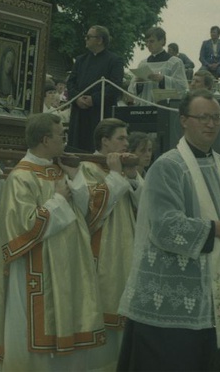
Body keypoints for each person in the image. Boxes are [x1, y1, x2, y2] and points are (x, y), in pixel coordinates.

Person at [117, 89, 220, 371]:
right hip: (171, 301)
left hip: (215, 300)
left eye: (216, 117)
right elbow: (164, 227)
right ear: (183, 120)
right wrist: (218, 229)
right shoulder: (168, 167)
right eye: (203, 117)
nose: (211, 123)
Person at [0, 112, 105, 370]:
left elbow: (85, 213)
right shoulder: (21, 176)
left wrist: (76, 178)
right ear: (45, 139)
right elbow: (22, 227)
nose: (65, 141)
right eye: (62, 136)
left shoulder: (60, 167)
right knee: (31, 332)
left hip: (67, 264)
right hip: (34, 268)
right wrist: (58, 199)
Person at [80, 119, 141, 371]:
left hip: (127, 245)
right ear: (104, 141)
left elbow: (144, 203)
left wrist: (132, 176)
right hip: (102, 250)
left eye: (127, 139)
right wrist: (115, 175)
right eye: (121, 138)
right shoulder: (87, 167)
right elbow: (91, 210)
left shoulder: (124, 168)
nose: (127, 143)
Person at [67, 25, 124, 152]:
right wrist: (77, 98)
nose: (85, 39)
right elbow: (70, 83)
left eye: (88, 37)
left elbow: (115, 86)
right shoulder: (80, 60)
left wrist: (94, 99)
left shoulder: (115, 60)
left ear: (99, 40)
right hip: (79, 113)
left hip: (100, 112)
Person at [129, 27, 189, 105]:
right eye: (146, 42)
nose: (148, 45)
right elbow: (131, 90)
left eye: (151, 41)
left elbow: (182, 88)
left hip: (166, 109)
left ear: (162, 41)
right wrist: (138, 83)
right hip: (145, 106)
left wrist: (163, 80)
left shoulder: (175, 62)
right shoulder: (143, 64)